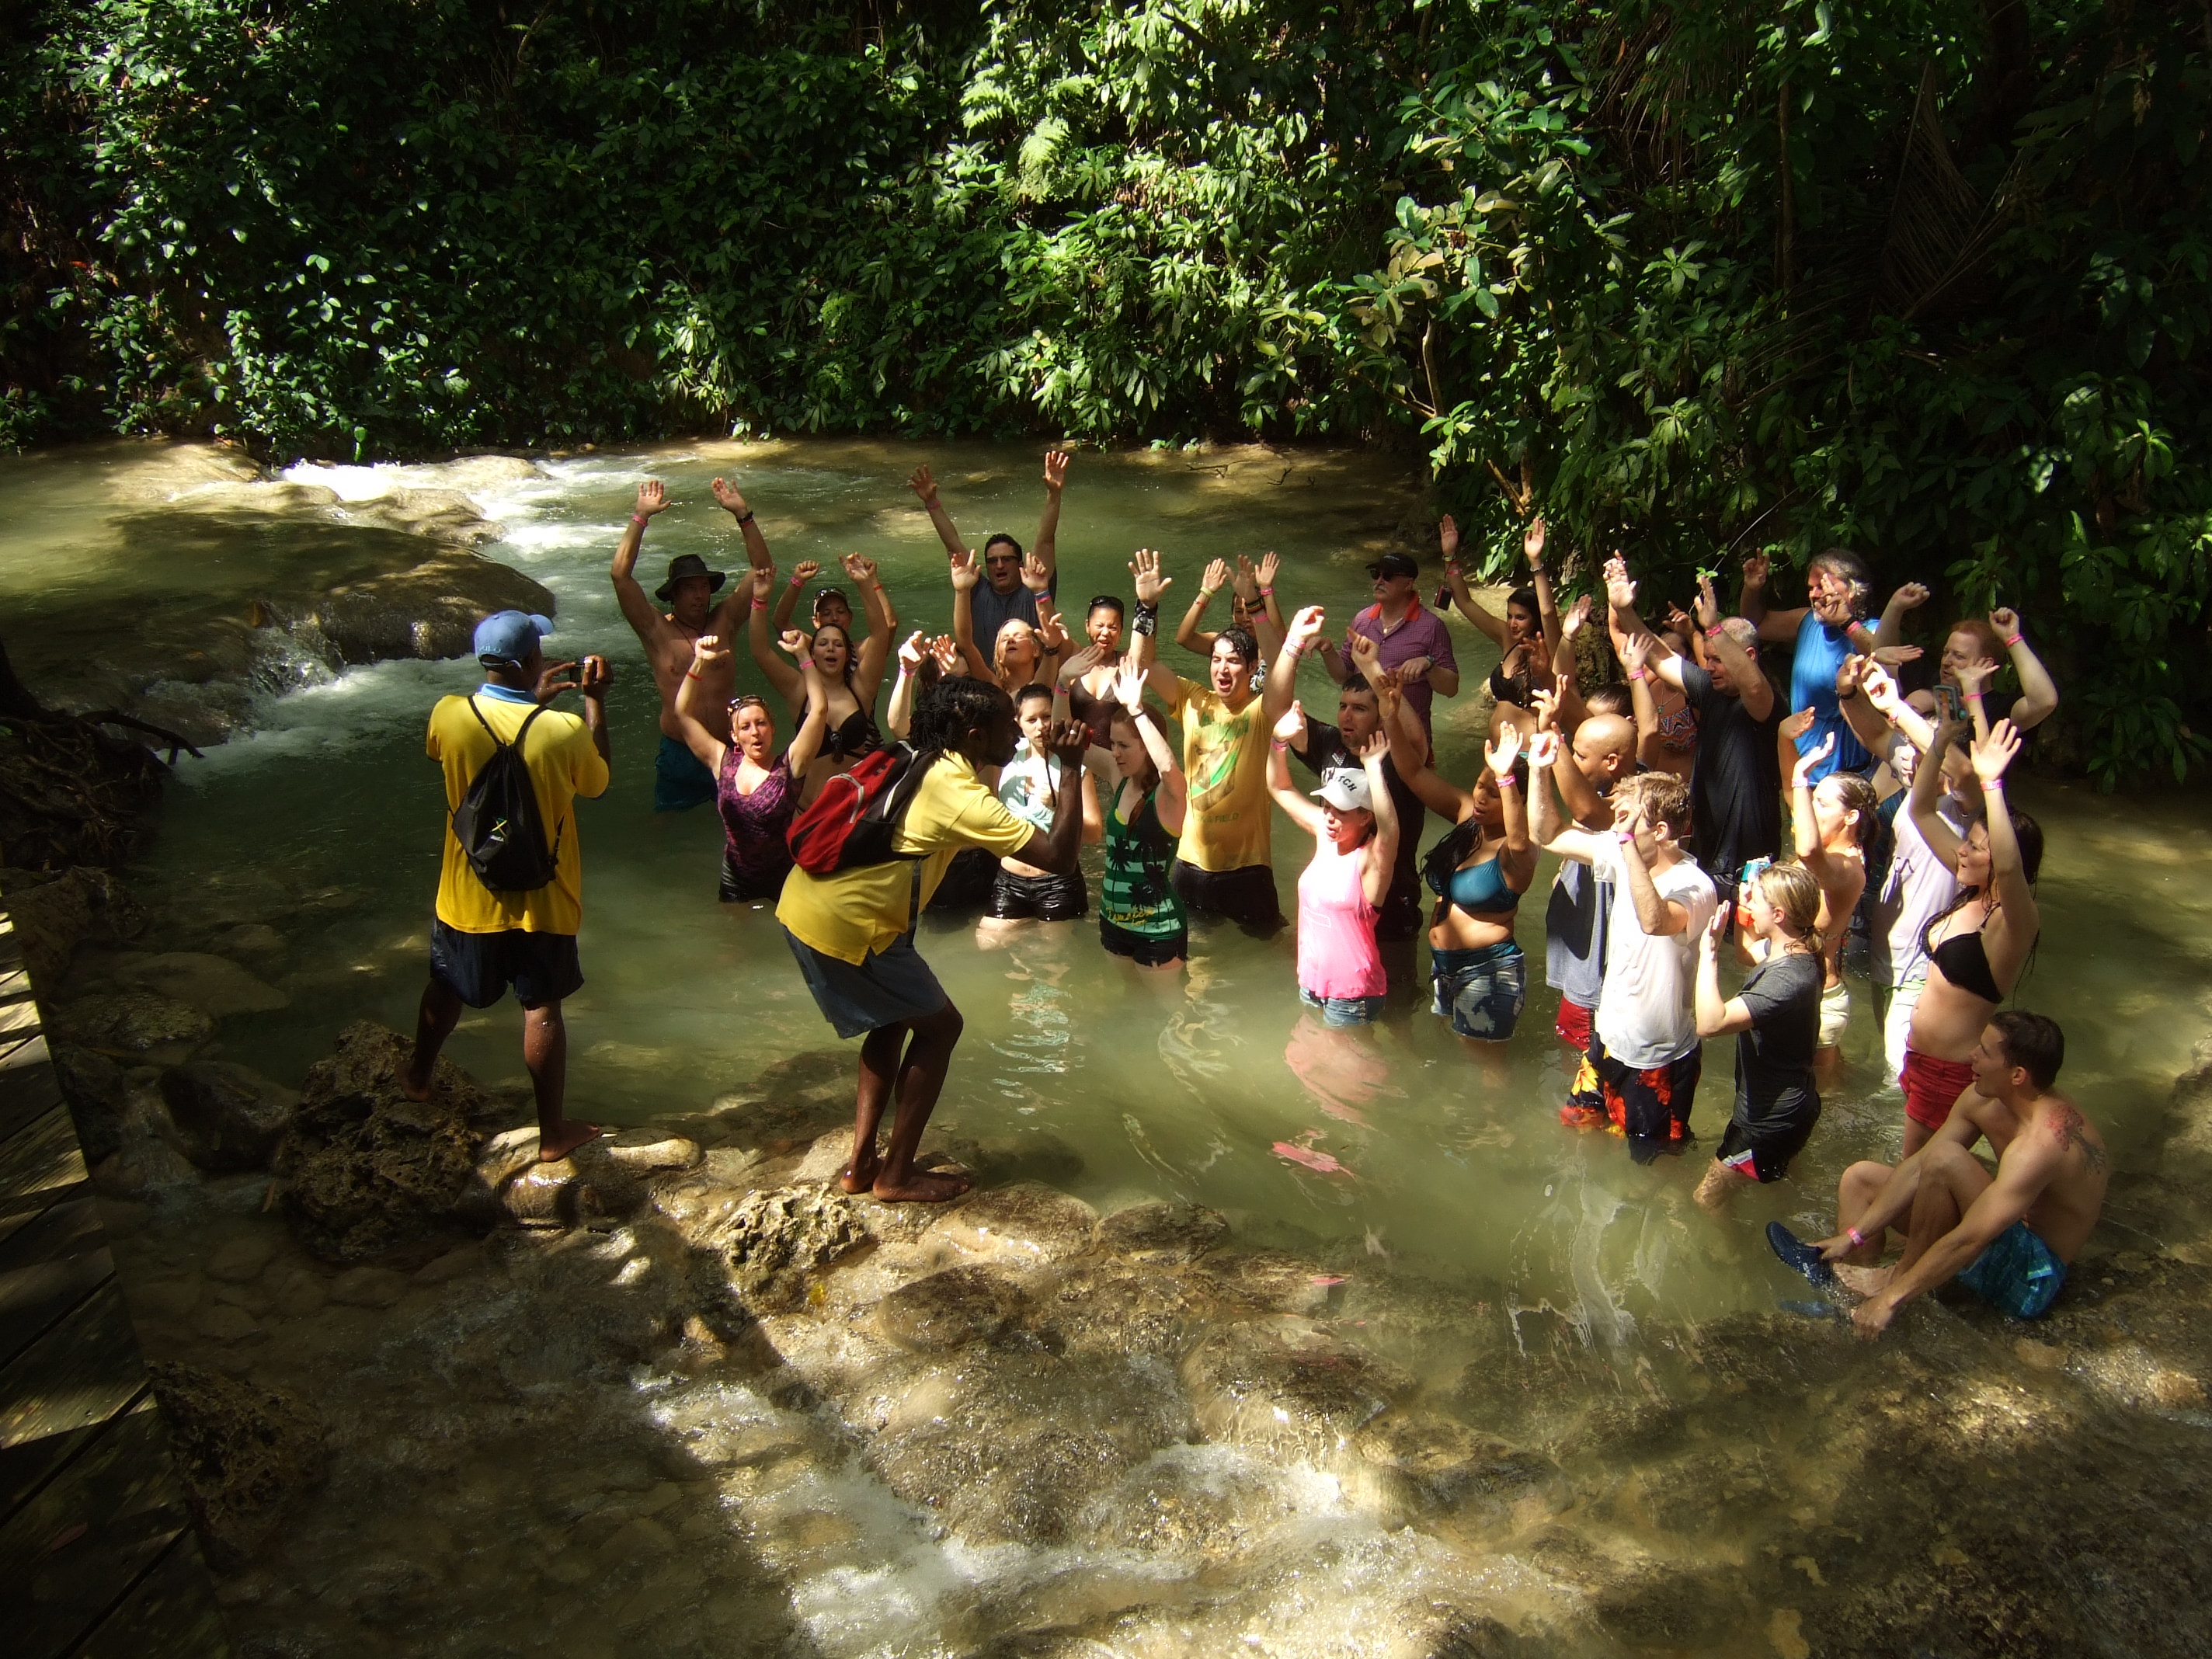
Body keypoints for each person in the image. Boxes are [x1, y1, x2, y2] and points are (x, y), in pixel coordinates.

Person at [775, 677, 1090, 1202]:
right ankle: (895, 1176)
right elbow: (1058, 857)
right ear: (972, 735)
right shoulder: (959, 792)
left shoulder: (914, 753)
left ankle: (859, 1166)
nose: (1016, 731)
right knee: (942, 1028)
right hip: (851, 923)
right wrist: (1074, 768)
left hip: (811, 904)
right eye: (1005, 725)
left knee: (896, 1017)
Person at [403, 612, 610, 1163]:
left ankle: (417, 1078)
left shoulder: (448, 715)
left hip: (468, 895)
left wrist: (525, 700)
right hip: (543, 899)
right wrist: (594, 702)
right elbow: (597, 782)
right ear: (529, 663)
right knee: (541, 1009)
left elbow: (445, 752)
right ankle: (551, 1135)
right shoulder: (562, 731)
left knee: (446, 985)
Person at [1779, 1012, 2106, 1337]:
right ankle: (1849, 1294)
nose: (1971, 1055)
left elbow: (1971, 1238)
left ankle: (1888, 1289)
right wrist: (1853, 1236)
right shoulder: (1987, 1097)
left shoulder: (2040, 1146)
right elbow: (1919, 1165)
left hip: (2030, 1278)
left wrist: (1893, 1296)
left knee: (1947, 1159)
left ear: (2017, 1075)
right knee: (1860, 1179)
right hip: (2000, 1233)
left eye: (1985, 1052)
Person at [1532, 765, 1718, 1156]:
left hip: (1658, 1057)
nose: (1618, 829)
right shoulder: (1624, 852)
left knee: (1650, 1164)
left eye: (1627, 820)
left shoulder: (1697, 887)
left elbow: (1657, 921)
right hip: (1608, 1040)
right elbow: (1548, 834)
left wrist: (1628, 845)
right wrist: (1538, 769)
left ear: (1662, 832)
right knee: (1577, 1129)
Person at [1897, 718, 2043, 1151]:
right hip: (1920, 1060)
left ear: (2000, 858)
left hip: (1950, 1072)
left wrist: (1992, 785)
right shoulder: (1971, 889)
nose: (1963, 849)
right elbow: (1920, 809)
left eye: (1978, 847)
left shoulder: (2012, 923)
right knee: (1920, 1179)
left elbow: (2012, 867)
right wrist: (1939, 742)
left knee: (1918, 1181)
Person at [1610, 562, 1780, 924]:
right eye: (1711, 659)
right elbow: (1661, 656)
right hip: (1708, 848)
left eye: (1720, 660)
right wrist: (1625, 609)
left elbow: (1753, 687)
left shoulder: (1765, 702)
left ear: (1748, 658)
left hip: (1750, 861)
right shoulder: (1710, 689)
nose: (1710, 666)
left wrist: (1713, 628)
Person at [1139, 590, 1303, 933]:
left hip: (1248, 869)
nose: (1221, 668)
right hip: (1191, 865)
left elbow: (1281, 679)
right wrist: (1147, 606)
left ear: (1252, 667)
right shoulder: (1192, 699)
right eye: (1216, 659)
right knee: (1195, 956)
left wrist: (1290, 636)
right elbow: (1145, 665)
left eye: (1233, 660)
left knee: (1266, 951)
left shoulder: (1261, 711)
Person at [1282, 629, 1428, 963]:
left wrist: (1372, 667)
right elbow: (1278, 713)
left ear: (1380, 717)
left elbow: (1416, 738)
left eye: (1360, 709)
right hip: (1339, 904)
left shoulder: (1398, 760)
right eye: (1343, 706)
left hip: (1391, 908)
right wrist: (1292, 644)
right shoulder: (1330, 744)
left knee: (1396, 1008)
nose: (1347, 715)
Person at [610, 480, 753, 812]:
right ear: (673, 594)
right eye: (690, 588)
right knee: (669, 827)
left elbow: (761, 571)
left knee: (739, 824)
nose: (700, 594)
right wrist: (640, 517)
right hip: (679, 751)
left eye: (704, 586)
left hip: (726, 747)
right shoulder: (655, 629)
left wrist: (743, 516)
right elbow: (620, 577)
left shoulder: (726, 620)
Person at [1692, 862, 1824, 1209]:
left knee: (1707, 1202)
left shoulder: (1787, 979)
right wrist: (1742, 907)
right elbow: (1747, 952)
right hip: (1792, 1106)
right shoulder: (1798, 950)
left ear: (1779, 914)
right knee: (1777, 1191)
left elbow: (1710, 1023)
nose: (1746, 897)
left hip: (1767, 1121)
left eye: (1757, 897)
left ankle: (1731, 1256)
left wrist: (1708, 953)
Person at [1401, 727, 1541, 1043]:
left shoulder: (1519, 851)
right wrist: (1391, 714)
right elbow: (1411, 772)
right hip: (1444, 968)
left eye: (1494, 793)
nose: (1480, 796)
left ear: (1518, 800)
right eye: (1480, 785)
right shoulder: (1469, 820)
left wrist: (1505, 777)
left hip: (1488, 971)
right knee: (1452, 1059)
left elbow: (1520, 843)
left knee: (1488, 1075)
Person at [671, 633, 830, 904]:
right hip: (735, 877)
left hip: (783, 879)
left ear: (772, 728)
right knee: (736, 944)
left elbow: (819, 710)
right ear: (734, 736)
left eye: (761, 723)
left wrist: (804, 656)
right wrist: (699, 663)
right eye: (745, 727)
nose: (755, 733)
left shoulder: (790, 766)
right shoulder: (722, 763)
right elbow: (682, 713)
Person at [1265, 709, 1399, 1026]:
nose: (1329, 816)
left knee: (1344, 1073)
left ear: (1366, 816)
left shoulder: (1371, 862)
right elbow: (1280, 788)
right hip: (1311, 984)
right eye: (1326, 806)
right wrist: (1277, 741)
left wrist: (1373, 768)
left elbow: (1391, 829)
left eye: (1341, 811)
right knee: (1310, 1063)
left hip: (1352, 995)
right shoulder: (1325, 837)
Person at [1739, 546, 1918, 782]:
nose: (1813, 594)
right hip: (1805, 770)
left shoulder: (1874, 629)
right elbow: (1756, 624)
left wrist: (1847, 623)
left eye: (1821, 586)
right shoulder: (1807, 622)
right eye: (1810, 588)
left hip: (1853, 774)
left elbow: (1886, 660)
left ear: (1852, 591)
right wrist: (1752, 589)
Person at [1536, 694, 1639, 1086]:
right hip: (1584, 966)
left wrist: (1552, 737)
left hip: (1598, 980)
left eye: (1580, 756)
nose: (1573, 764)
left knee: (1583, 1081)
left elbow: (1584, 812)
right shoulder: (1614, 787)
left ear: (1612, 762)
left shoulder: (1632, 809)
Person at [745, 559, 892, 785]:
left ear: (847, 653)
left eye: (838, 644)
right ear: (811, 653)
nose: (831, 648)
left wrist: (865, 583)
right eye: (823, 644)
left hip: (855, 805)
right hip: (808, 809)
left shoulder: (861, 689)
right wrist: (759, 600)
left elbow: (882, 632)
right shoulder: (798, 689)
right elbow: (760, 651)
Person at [979, 683, 1103, 939]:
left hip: (1057, 882)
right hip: (1009, 878)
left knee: (1050, 964)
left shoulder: (1073, 764)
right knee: (987, 942)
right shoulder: (1004, 758)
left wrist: (1061, 803)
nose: (1041, 726)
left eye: (1047, 716)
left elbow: (1094, 834)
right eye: (1031, 719)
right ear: (1018, 722)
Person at [909, 450, 1066, 644]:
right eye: (992, 561)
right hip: (983, 674)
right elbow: (953, 546)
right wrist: (931, 502)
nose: (999, 565)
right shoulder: (977, 591)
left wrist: (1054, 493)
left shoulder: (1036, 587)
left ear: (1020, 565)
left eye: (1006, 559)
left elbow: (1046, 540)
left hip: (1034, 674)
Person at [1097, 657, 1191, 969]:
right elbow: (1065, 743)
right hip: (1113, 922)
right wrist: (1061, 686)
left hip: (1158, 931)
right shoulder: (1119, 779)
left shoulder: (1168, 795)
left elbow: (1167, 766)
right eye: (1112, 744)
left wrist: (1137, 710)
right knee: (1127, 1011)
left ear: (1147, 747)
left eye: (1124, 745)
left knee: (1166, 1016)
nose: (1115, 752)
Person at [1785, 730, 1874, 1052]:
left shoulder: (1848, 867)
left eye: (1821, 803)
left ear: (1850, 817)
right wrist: (1787, 736)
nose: (1809, 807)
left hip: (1820, 998)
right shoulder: (1827, 849)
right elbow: (1791, 790)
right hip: (1796, 985)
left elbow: (1807, 851)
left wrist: (1799, 778)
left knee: (1822, 1097)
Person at [1317, 546, 1459, 739]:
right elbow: (1344, 676)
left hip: (1408, 739)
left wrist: (1428, 664)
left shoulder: (1431, 627)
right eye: (1376, 575)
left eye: (1388, 576)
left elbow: (1451, 688)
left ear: (1408, 584)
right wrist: (1327, 650)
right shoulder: (1363, 620)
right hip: (1364, 738)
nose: (1379, 581)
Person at [1436, 513, 1561, 717]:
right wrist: (1450, 556)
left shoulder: (1550, 646)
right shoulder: (1507, 636)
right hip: (1501, 745)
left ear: (1535, 619)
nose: (1512, 623)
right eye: (1509, 616)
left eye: (1520, 618)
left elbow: (1548, 612)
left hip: (1533, 744)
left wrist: (1535, 562)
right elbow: (1464, 602)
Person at [1176, 554, 1285, 687]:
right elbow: (1184, 639)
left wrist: (1266, 589)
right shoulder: (1226, 645)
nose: (1245, 618)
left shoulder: (1271, 646)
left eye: (1251, 611)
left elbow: (1279, 638)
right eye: (1239, 612)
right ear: (1233, 616)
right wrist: (1206, 593)